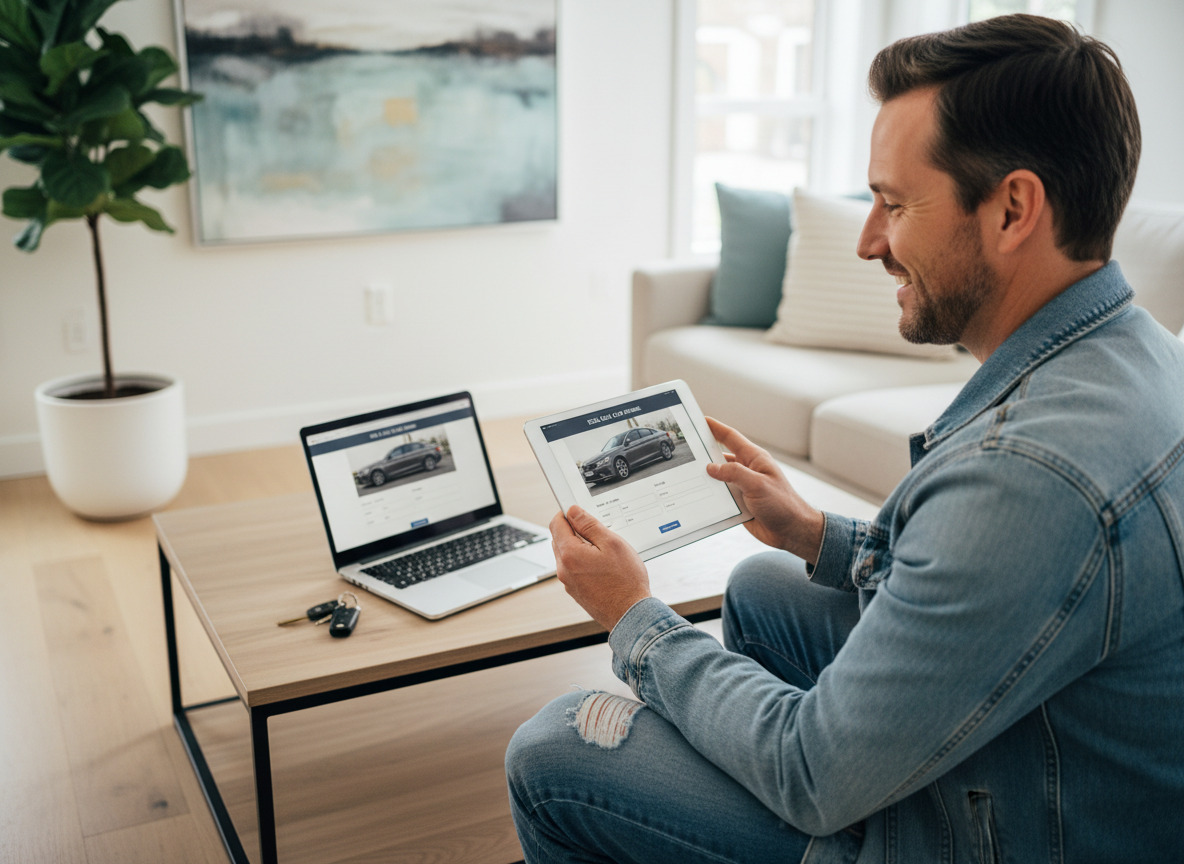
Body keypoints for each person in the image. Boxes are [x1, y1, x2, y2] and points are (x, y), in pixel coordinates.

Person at [506, 13, 1184, 864]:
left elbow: (808, 769)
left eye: (895, 205)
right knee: (763, 582)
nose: (869, 241)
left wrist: (632, 615)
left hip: (1012, 830)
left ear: (1014, 208)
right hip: (1042, 752)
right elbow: (999, 582)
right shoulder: (1144, 352)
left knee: (556, 749)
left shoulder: (1027, 474)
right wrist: (814, 532)